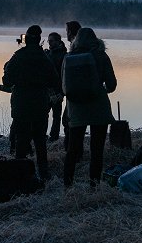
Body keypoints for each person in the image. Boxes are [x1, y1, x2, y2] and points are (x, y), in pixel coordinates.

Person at [2, 25, 60, 181]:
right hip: (41, 105)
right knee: (40, 142)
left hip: (21, 105)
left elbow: (6, 81)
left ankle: (21, 178)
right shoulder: (45, 58)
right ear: (40, 40)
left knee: (21, 142)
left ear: (26, 39)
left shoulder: (18, 56)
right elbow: (55, 81)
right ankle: (44, 175)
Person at [63, 27, 117, 187]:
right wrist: (101, 90)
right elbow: (112, 85)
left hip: (76, 108)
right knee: (97, 149)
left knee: (73, 148)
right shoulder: (101, 56)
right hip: (98, 106)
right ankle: (94, 185)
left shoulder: (69, 57)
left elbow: (64, 86)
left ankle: (68, 185)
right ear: (95, 40)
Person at [62, 21, 82, 151]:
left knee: (69, 122)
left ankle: (72, 152)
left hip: (74, 94)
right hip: (82, 94)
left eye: (67, 31)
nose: (66, 34)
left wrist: (64, 91)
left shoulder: (74, 52)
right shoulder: (93, 50)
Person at [45, 32, 68, 142]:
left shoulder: (64, 55)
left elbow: (64, 75)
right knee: (43, 114)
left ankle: (53, 137)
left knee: (56, 116)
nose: (49, 42)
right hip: (47, 90)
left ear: (58, 41)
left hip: (58, 91)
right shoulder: (49, 53)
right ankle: (42, 135)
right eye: (49, 40)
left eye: (51, 40)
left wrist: (61, 93)